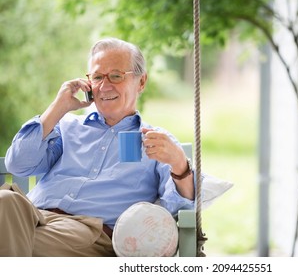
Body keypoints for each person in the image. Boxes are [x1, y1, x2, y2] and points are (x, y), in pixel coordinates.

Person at [1, 37, 195, 256]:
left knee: (11, 237)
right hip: (33, 217)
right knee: (5, 199)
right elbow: (18, 164)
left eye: (116, 76)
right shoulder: (66, 127)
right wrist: (58, 107)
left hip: (88, 232)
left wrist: (180, 164)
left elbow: (178, 208)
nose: (104, 86)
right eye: (97, 77)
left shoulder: (156, 141)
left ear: (141, 82)